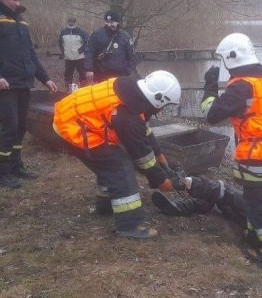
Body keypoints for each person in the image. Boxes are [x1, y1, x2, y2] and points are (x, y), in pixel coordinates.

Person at [52, 70, 185, 239]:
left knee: (110, 165)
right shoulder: (127, 116)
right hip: (72, 127)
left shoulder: (131, 90)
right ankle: (129, 226)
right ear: (159, 99)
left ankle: (105, 207)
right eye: (165, 105)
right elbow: (143, 158)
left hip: (71, 115)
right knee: (120, 169)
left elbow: (144, 131)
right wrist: (161, 181)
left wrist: (160, 156)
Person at [200, 33, 262, 262]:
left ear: (232, 58)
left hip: (260, 157)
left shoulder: (242, 87)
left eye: (224, 60)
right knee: (257, 201)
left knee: (260, 207)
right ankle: (255, 236)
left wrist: (210, 89)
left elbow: (211, 115)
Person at [0, 0, 58, 189]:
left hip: (24, 82)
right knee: (9, 126)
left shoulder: (21, 22)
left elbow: (30, 55)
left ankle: (16, 166)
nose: (18, 3)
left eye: (20, 0)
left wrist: (45, 79)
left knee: (21, 126)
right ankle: (2, 172)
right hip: (5, 85)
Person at [84, 11, 138, 83]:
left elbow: (132, 56)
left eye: (112, 22)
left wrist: (129, 71)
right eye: (107, 22)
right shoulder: (97, 34)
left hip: (120, 76)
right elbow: (89, 52)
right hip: (101, 75)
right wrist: (89, 69)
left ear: (117, 22)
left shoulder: (125, 36)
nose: (109, 25)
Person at [58, 17, 89, 91]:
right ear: (68, 22)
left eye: (72, 22)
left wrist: (80, 51)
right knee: (68, 74)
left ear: (75, 22)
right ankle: (68, 90)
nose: (71, 23)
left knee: (82, 73)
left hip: (80, 57)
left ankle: (84, 89)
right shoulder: (63, 32)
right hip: (68, 58)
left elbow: (86, 43)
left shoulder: (81, 32)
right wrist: (62, 52)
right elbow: (60, 43)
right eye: (69, 22)